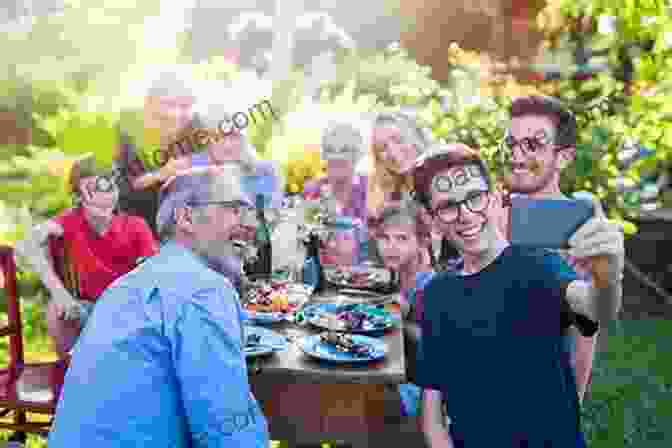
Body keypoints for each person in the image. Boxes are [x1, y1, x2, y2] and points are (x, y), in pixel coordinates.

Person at [412, 145, 623, 447]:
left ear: (495, 197)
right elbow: (432, 416)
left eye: (475, 197)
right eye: (448, 206)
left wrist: (608, 273)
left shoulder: (539, 265)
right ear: (433, 220)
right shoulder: (436, 294)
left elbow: (598, 308)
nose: (466, 215)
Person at [47, 166, 270, 447]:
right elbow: (228, 433)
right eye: (235, 209)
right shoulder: (203, 290)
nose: (251, 225)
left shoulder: (126, 286)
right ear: (186, 217)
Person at [499, 95, 603, 401]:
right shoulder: (490, 212)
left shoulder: (578, 224)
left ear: (564, 157)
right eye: (511, 144)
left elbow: (585, 331)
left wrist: (574, 404)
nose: (516, 157)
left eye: (532, 145)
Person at [14, 154, 158, 360]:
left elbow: (152, 277)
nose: (102, 196)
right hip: (86, 310)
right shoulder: (69, 221)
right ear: (79, 196)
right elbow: (27, 245)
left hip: (128, 311)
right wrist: (59, 293)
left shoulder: (135, 226)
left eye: (108, 187)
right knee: (57, 309)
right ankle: (72, 374)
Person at [115, 69, 201, 236]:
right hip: (137, 224)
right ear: (149, 104)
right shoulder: (127, 130)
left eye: (184, 106)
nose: (174, 113)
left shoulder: (198, 129)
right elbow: (117, 186)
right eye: (168, 104)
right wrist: (160, 175)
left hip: (185, 228)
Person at [371, 197, 435, 418]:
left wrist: (403, 320)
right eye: (384, 238)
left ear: (422, 241)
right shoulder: (400, 276)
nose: (391, 247)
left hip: (419, 394)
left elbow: (436, 345)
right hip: (394, 375)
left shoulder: (429, 287)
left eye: (401, 239)